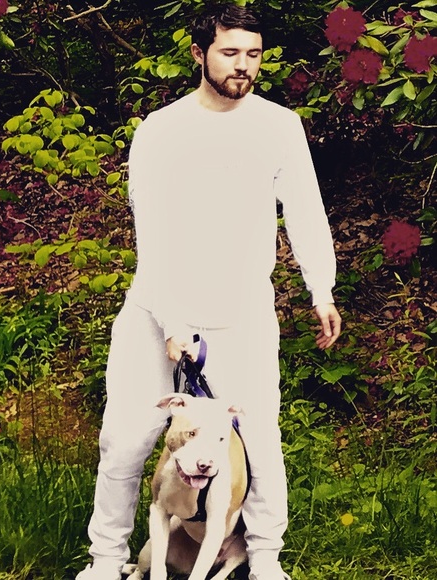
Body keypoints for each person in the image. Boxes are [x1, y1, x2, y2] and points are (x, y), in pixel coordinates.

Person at [76, 4, 342, 580]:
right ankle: (106, 559)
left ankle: (265, 558)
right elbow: (153, 230)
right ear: (199, 54)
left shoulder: (280, 126)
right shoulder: (161, 129)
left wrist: (320, 288)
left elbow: (305, 209)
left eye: (253, 54)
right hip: (155, 311)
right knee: (125, 438)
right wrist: (173, 323)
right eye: (230, 52)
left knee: (260, 437)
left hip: (242, 315)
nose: (243, 65)